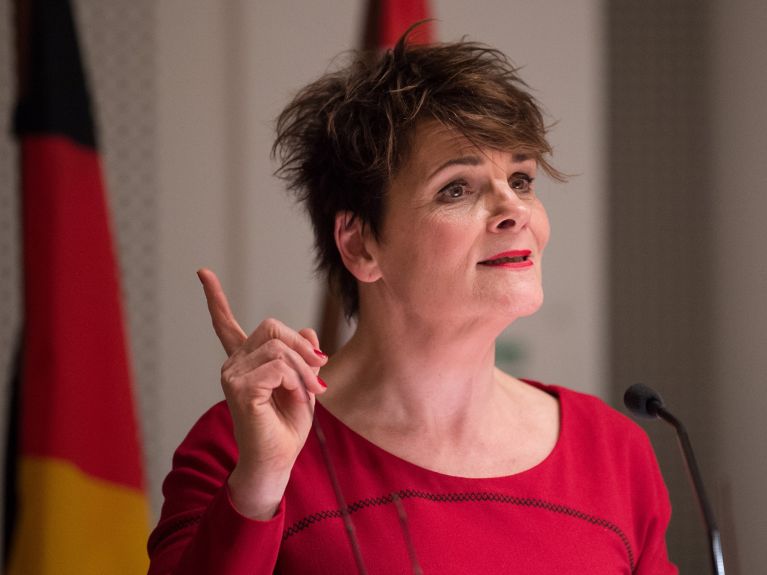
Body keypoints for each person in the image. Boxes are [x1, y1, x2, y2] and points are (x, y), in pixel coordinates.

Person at [147, 28, 677, 574]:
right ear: (360, 243)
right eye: (457, 188)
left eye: (521, 179)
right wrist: (259, 485)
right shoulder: (239, 447)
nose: (513, 209)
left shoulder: (614, 451)